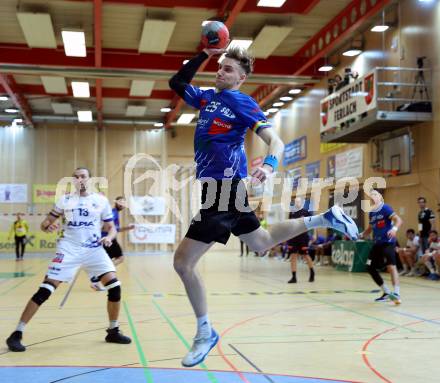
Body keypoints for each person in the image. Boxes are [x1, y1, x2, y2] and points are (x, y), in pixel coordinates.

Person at [168, 45, 359, 367]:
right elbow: (177, 83)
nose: (220, 71)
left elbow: (277, 142)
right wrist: (204, 52)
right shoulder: (207, 98)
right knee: (262, 242)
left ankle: (205, 332)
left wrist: (270, 165)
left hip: (224, 189)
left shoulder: (242, 102)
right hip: (220, 188)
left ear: (241, 78)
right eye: (220, 66)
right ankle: (325, 217)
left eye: (228, 69)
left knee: (183, 264)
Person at [5, 167, 131, 352]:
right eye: (76, 177)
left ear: (89, 179)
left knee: (114, 286)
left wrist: (109, 238)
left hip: (94, 249)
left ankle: (113, 330)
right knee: (45, 289)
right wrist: (47, 226)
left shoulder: (101, 200)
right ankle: (16, 333)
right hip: (69, 249)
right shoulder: (65, 200)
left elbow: (111, 227)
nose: (80, 179)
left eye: (83, 176)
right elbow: (45, 223)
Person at [360, 190, 403, 304]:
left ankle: (397, 293)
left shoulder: (385, 208)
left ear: (380, 197)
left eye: (375, 194)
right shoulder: (371, 213)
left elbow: (398, 220)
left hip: (388, 242)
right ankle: (386, 292)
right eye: (371, 195)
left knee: (391, 266)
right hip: (377, 244)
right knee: (370, 267)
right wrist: (361, 235)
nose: (373, 196)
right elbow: (369, 229)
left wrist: (394, 229)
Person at [90, 196, 134, 291]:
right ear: (116, 203)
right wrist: (107, 235)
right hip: (108, 239)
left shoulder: (115, 213)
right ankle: (100, 276)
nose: (122, 205)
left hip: (108, 238)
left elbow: (116, 229)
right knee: (120, 258)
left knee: (108, 260)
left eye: (123, 204)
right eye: (120, 203)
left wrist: (128, 228)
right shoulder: (113, 213)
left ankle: (97, 280)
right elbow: (107, 227)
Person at [286, 197, 314, 283]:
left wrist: (313, 235)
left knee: (305, 255)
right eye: (296, 202)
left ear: (301, 203)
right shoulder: (292, 213)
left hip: (303, 238)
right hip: (293, 237)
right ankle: (294, 277)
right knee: (293, 256)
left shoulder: (306, 212)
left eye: (299, 202)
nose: (297, 203)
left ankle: (312, 272)